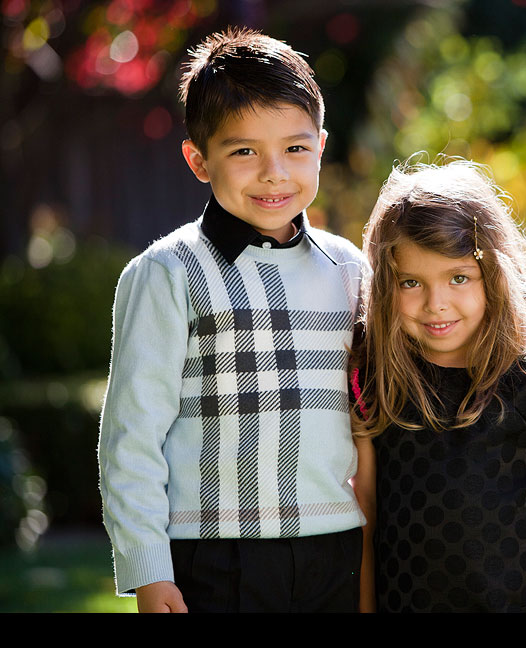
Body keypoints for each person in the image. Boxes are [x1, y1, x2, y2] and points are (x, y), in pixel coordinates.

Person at [98, 27, 366, 613]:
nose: (274, 173)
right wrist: (148, 569)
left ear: (320, 145)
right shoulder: (168, 273)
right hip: (214, 556)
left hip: (338, 549)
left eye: (295, 149)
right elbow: (132, 439)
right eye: (244, 151)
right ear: (198, 158)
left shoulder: (350, 269)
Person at [348, 160, 526, 613]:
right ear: (388, 286)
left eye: (458, 278)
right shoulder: (379, 387)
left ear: (495, 275)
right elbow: (367, 518)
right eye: (412, 283)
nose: (436, 304)